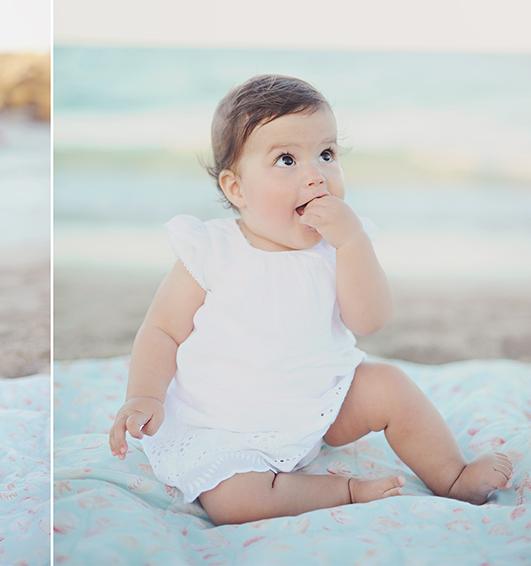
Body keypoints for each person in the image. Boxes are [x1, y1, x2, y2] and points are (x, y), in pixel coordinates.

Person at [108, 75, 514, 526]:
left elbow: (369, 320)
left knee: (389, 385)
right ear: (236, 188)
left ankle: (452, 475)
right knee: (234, 501)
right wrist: (145, 395)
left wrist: (352, 243)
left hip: (318, 405)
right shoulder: (212, 250)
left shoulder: (338, 248)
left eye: (327, 154)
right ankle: (343, 491)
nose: (316, 174)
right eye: (286, 159)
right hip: (224, 426)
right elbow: (162, 329)